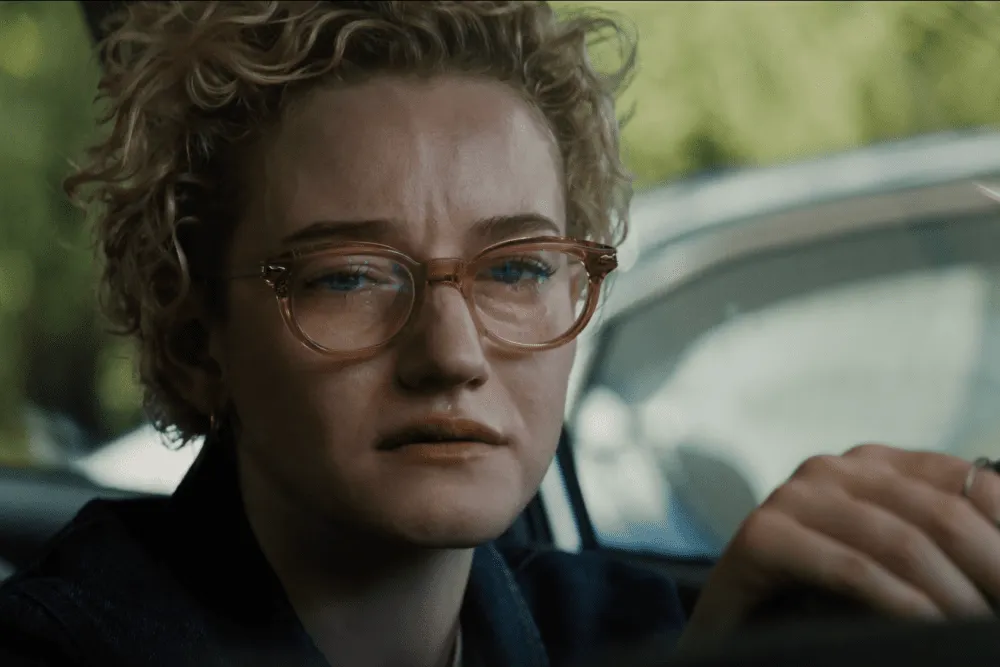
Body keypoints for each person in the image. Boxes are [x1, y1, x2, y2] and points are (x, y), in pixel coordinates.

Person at [2, 2, 1000, 666]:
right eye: (348, 276)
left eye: (516, 269)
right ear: (194, 331)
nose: (451, 354)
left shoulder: (611, 625)